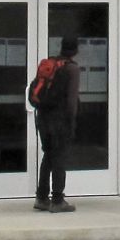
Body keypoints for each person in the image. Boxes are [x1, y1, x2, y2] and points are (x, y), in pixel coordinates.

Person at [34, 35, 81, 213]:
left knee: (49, 155)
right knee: (60, 157)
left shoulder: (51, 64)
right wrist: (72, 121)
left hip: (43, 119)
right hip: (60, 120)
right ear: (75, 50)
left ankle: (41, 197)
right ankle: (58, 200)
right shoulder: (71, 69)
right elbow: (71, 101)